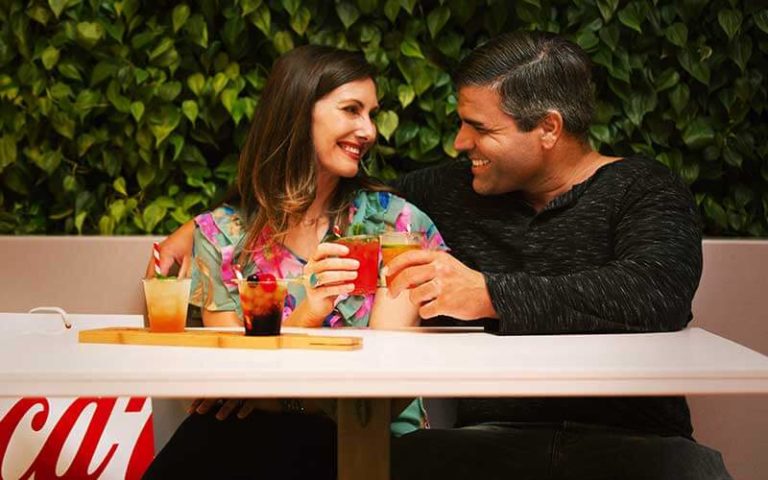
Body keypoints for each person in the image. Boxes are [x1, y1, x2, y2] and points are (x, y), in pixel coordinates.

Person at [148, 33, 731, 479]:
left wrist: (487, 294)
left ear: (548, 128)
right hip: (485, 444)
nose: (459, 143)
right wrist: (196, 228)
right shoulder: (449, 192)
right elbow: (323, 191)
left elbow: (652, 292)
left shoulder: (644, 190)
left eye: (478, 127)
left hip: (639, 444)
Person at [143, 45, 445, 479]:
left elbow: (381, 389)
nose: (368, 130)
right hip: (253, 440)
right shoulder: (222, 235)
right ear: (298, 111)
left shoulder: (394, 225)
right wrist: (308, 312)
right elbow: (233, 380)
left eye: (371, 113)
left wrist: (276, 394)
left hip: (370, 440)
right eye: (351, 110)